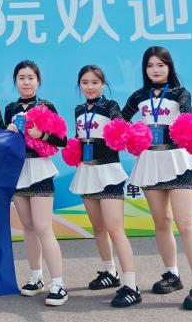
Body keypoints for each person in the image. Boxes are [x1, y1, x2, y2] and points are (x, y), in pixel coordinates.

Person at [122, 46, 192, 311]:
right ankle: (172, 274)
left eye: (160, 65)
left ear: (169, 67)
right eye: (150, 65)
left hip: (177, 161)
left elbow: (187, 115)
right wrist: (130, 133)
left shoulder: (180, 93)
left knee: (186, 225)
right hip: (150, 162)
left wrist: (185, 123)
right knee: (161, 222)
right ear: (144, 69)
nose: (155, 70)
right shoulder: (138, 96)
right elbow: (121, 120)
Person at [69, 65, 141, 308]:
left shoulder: (111, 106)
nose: (89, 87)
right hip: (87, 172)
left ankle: (131, 285)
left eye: (95, 82)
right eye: (85, 82)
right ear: (80, 85)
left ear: (103, 84)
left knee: (115, 229)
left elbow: (121, 129)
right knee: (98, 227)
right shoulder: (78, 110)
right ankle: (110, 272)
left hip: (108, 172)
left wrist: (121, 126)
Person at [4, 60, 68, 306]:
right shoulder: (10, 108)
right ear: (15, 81)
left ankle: (58, 283)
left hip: (40, 169)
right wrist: (8, 131)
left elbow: (62, 140)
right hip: (18, 171)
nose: (26, 82)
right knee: (28, 227)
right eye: (21, 78)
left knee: (43, 227)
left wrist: (40, 134)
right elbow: (4, 141)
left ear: (38, 80)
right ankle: (36, 277)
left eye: (30, 78)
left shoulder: (46, 106)